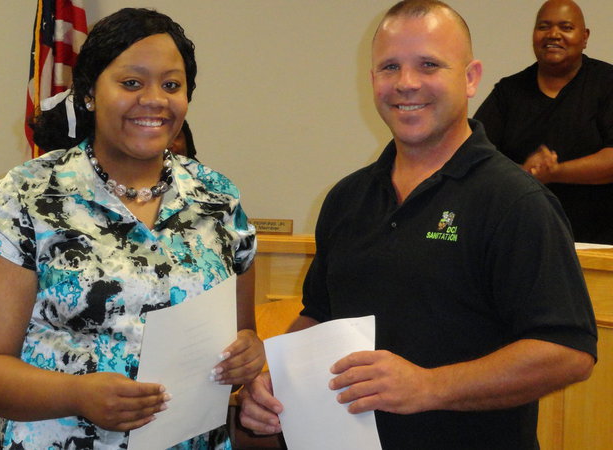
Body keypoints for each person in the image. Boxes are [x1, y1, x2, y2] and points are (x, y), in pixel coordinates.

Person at [238, 1, 597, 449]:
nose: (406, 83)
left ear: (470, 78)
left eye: (429, 64)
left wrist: (429, 386)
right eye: (390, 67)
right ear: (372, 79)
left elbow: (568, 352)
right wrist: (277, 382)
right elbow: (321, 314)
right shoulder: (347, 198)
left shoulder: (515, 202)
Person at [0, 8, 264, 450]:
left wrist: (248, 353)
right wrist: (77, 394)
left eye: (171, 85)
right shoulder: (27, 195)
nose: (154, 99)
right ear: (89, 94)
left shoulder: (218, 199)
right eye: (132, 83)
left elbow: (241, 337)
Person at [474, 0, 613, 244]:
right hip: (520, 237)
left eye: (566, 27)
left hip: (598, 243)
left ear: (584, 37)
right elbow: (474, 155)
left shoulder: (606, 82)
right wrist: (524, 173)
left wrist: (555, 172)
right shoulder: (508, 92)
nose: (553, 34)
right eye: (544, 27)